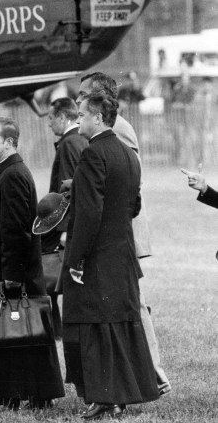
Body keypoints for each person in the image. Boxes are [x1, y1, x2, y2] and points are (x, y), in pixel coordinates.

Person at [62, 94, 159, 419]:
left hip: (98, 259)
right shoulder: (127, 154)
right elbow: (135, 206)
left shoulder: (93, 154)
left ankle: (105, 399)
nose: (79, 122)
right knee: (119, 326)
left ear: (99, 117)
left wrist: (76, 259)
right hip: (123, 255)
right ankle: (117, 397)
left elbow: (89, 213)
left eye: (83, 116)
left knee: (96, 328)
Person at [76, 72, 171, 396]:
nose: (79, 99)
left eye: (84, 94)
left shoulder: (118, 131)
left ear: (100, 99)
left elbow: (126, 181)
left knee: (133, 304)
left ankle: (154, 373)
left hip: (121, 229)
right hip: (116, 228)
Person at [0, 116, 64, 411]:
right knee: (16, 334)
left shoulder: (12, 174)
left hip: (12, 272)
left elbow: (15, 230)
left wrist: (11, 274)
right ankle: (16, 396)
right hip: (6, 270)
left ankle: (16, 397)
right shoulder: (5, 170)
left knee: (16, 333)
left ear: (10, 143)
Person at [42, 97, 88, 338]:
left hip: (64, 226)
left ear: (62, 118)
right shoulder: (77, 140)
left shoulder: (70, 143)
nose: (49, 124)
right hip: (68, 225)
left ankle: (55, 330)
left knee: (52, 277)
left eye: (51, 119)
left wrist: (63, 230)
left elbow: (68, 190)